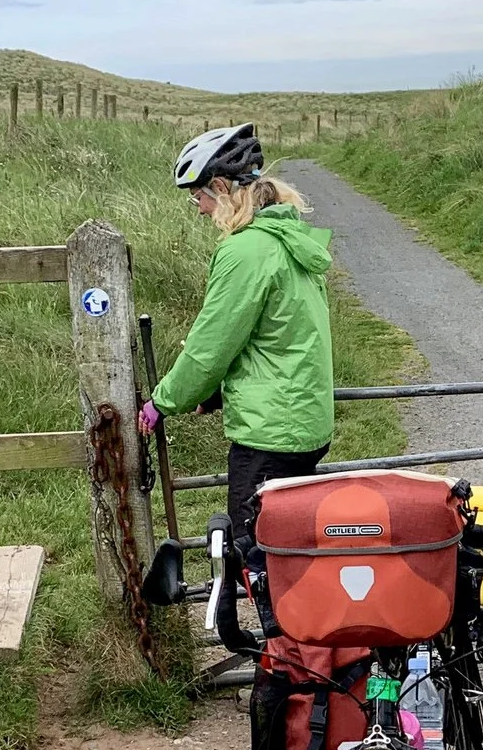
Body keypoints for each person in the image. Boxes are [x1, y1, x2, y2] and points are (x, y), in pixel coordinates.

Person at [137, 123, 335, 565]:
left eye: (198, 196)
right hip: (302, 421)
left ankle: (277, 634)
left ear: (222, 187)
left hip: (269, 436)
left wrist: (162, 402)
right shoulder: (289, 239)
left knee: (257, 560)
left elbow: (211, 348)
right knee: (290, 554)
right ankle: (296, 631)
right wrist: (225, 393)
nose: (198, 208)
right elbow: (278, 341)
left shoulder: (245, 251)